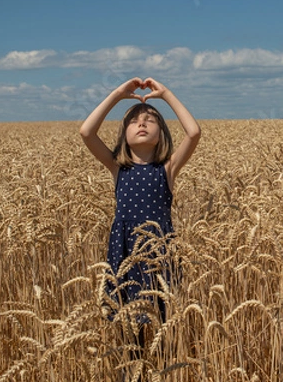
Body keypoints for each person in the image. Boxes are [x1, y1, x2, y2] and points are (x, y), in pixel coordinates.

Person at [79, 77, 201, 327]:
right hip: (124, 251)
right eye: (133, 122)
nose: (142, 123)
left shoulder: (167, 168)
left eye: (150, 120)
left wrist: (165, 93)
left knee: (163, 322)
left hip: (159, 251)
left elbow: (193, 132)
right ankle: (131, 366)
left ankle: (158, 364)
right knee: (126, 323)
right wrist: (117, 94)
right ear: (124, 134)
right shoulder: (117, 167)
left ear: (162, 133)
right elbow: (86, 132)